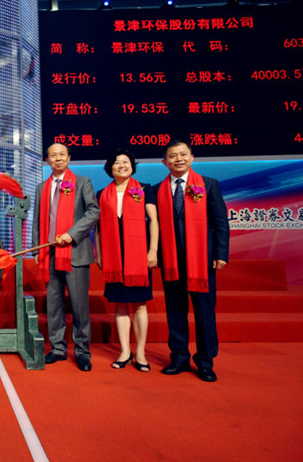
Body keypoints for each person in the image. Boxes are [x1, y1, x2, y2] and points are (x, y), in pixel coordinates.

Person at [154, 140, 229, 382]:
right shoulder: (157, 190)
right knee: (175, 311)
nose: (178, 159)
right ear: (164, 162)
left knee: (204, 313)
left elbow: (220, 222)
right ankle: (179, 358)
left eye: (183, 154)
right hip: (171, 260)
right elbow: (153, 226)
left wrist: (220, 254)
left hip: (202, 260)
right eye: (172, 156)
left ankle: (206, 362)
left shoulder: (208, 184)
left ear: (192, 157)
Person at [32, 143, 99, 371]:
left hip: (75, 253)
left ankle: (82, 351)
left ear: (69, 158)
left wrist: (72, 234)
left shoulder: (82, 182)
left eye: (62, 154)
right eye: (53, 155)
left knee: (79, 306)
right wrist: (36, 250)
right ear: (48, 160)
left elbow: (93, 211)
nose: (58, 158)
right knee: (54, 305)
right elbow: (37, 221)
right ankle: (58, 348)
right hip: (49, 253)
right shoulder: (41, 187)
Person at [94, 149, 159, 372]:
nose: (121, 165)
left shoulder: (145, 189)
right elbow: (98, 228)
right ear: (110, 168)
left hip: (138, 255)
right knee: (120, 305)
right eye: (116, 162)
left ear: (132, 166)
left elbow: (154, 221)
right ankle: (125, 351)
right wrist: (100, 254)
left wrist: (153, 250)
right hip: (114, 256)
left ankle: (140, 352)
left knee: (139, 305)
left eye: (126, 161)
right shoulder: (102, 194)